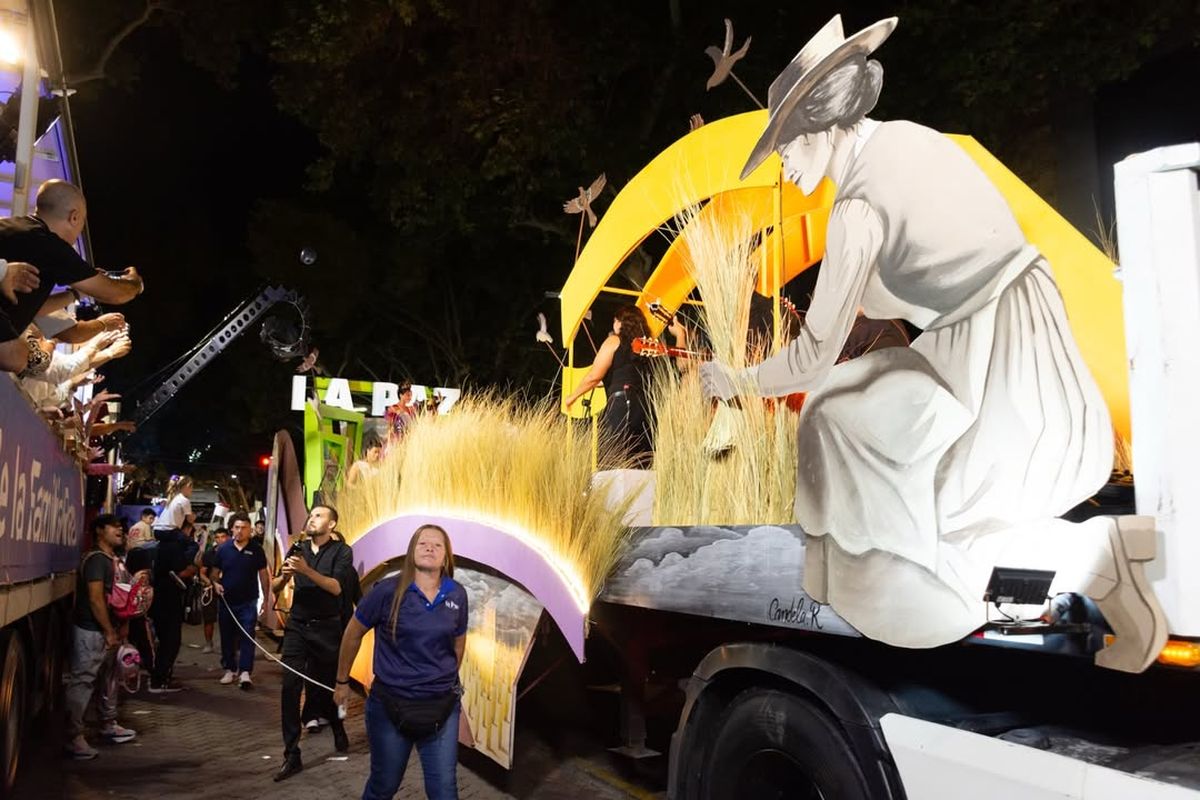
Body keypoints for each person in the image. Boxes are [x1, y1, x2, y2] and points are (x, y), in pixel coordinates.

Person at [699, 14, 1113, 646]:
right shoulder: (904, 138)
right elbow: (924, 273)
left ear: (820, 125)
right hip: (989, 328)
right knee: (848, 402)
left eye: (785, 147)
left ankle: (903, 590)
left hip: (998, 353)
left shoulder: (856, 208)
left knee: (830, 411)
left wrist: (737, 378)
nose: (783, 169)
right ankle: (903, 570)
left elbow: (814, 354)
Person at [334, 525, 468, 800]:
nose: (430, 547)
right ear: (411, 552)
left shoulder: (457, 594)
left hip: (441, 708)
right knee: (384, 785)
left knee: (445, 791)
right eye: (422, 543)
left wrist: (444, 680)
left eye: (437, 545)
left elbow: (458, 642)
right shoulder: (387, 591)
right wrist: (342, 681)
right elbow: (353, 633)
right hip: (390, 708)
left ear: (446, 557)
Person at [0, 180, 145, 374]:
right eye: (82, 224)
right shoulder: (51, 246)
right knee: (16, 356)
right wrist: (135, 283)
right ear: (74, 217)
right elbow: (115, 294)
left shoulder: (11, 226)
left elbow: (37, 308)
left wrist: (75, 294)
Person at [271, 504, 358, 782]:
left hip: (328, 627)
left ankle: (337, 725)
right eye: (310, 515)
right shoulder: (298, 549)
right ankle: (291, 753)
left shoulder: (342, 552)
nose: (311, 519)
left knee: (328, 685)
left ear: (331, 524)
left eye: (318, 516)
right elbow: (274, 586)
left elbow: (335, 587)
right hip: (297, 626)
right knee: (290, 686)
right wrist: (285, 575)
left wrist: (306, 571)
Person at [564, 305, 685, 465]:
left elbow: (594, 376)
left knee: (616, 458)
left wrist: (572, 397)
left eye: (615, 321)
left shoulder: (614, 340)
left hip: (623, 404)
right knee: (642, 460)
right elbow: (681, 361)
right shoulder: (648, 346)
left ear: (620, 323)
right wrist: (681, 334)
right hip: (646, 407)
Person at [64, 514, 137, 759]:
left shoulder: (111, 560)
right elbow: (95, 599)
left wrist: (118, 628)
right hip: (91, 631)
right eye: (113, 526)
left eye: (121, 526)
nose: (119, 529)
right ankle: (74, 737)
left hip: (107, 632)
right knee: (83, 680)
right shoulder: (96, 560)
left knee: (107, 678)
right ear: (98, 531)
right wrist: (108, 630)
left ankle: (107, 724)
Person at [148, 482, 199, 694]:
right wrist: (189, 568)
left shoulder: (159, 543)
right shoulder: (177, 545)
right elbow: (184, 568)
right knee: (171, 640)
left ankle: (160, 677)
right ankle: (159, 680)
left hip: (159, 599)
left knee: (166, 639)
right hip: (168, 599)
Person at [211, 512, 270, 689]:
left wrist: (267, 600)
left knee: (247, 635)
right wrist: (215, 584)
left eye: (244, 528)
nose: (240, 531)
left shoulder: (256, 549)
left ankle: (245, 671)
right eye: (237, 527)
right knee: (227, 636)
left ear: (250, 530)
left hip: (248, 601)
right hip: (227, 602)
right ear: (231, 529)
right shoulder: (223, 549)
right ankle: (229, 668)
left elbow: (264, 575)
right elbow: (214, 573)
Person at [198, 527, 230, 653]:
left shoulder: (233, 552)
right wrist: (209, 583)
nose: (220, 540)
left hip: (228, 588)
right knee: (209, 618)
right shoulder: (209, 554)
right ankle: (208, 643)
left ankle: (230, 645)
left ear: (228, 537)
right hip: (211, 588)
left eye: (223, 537)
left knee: (230, 618)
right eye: (217, 537)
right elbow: (202, 572)